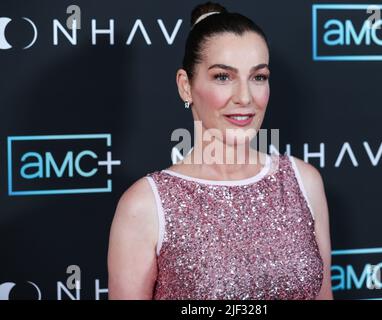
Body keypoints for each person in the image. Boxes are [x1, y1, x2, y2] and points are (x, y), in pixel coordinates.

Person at [107, 1, 333, 300]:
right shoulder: (145, 205)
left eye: (258, 77)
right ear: (186, 86)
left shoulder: (304, 182)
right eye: (223, 77)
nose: (244, 97)